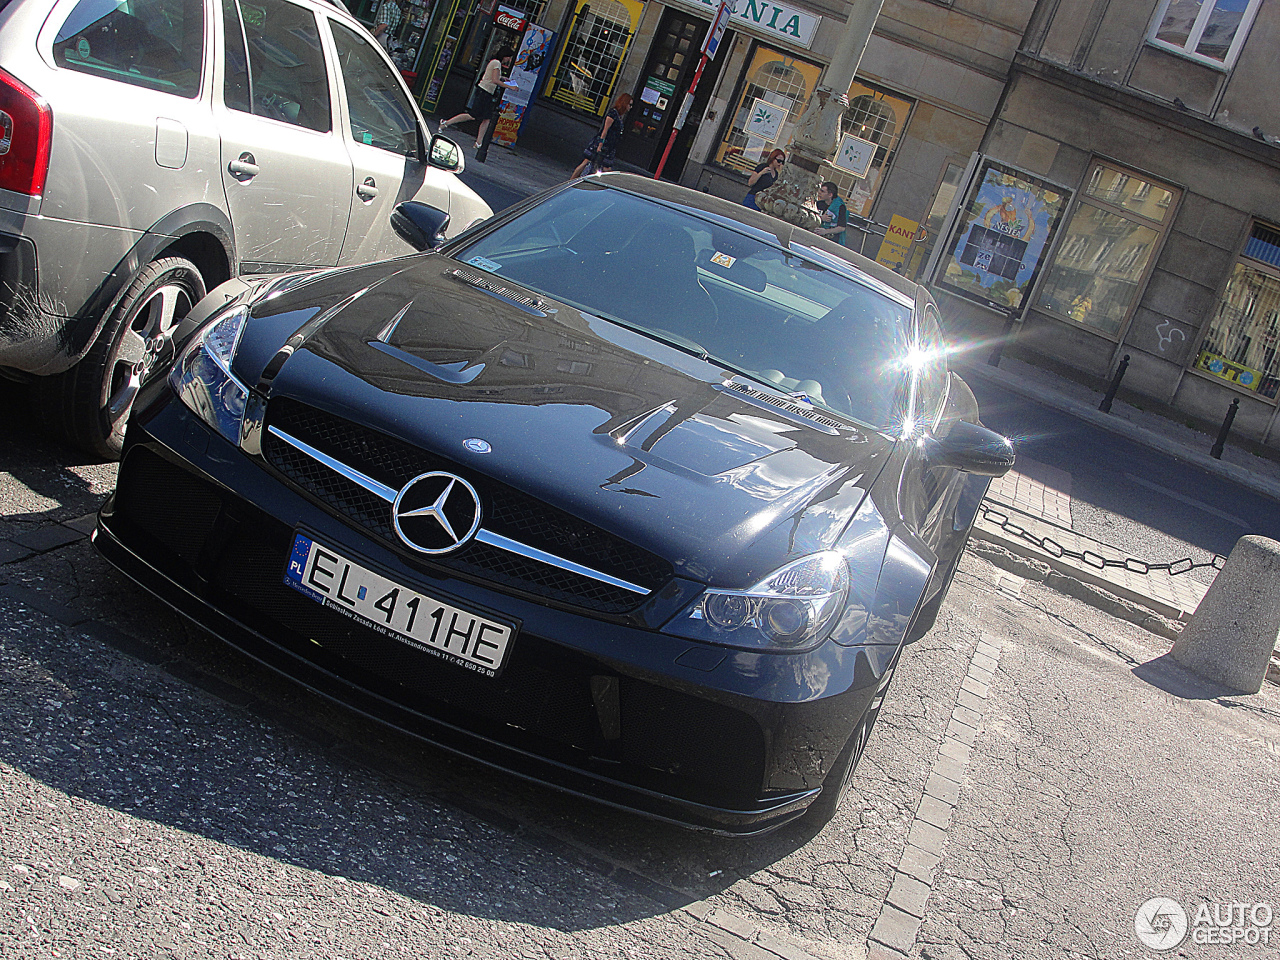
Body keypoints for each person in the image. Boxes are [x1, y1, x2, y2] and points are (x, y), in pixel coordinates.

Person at [439, 50, 517, 149]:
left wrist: (503, 78)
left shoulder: (494, 62)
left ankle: (478, 142)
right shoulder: (497, 63)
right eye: (508, 57)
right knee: (473, 115)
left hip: (485, 92)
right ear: (504, 56)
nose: (509, 60)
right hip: (485, 92)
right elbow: (495, 80)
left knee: (486, 118)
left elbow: (493, 76)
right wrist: (510, 87)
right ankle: (446, 123)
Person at [571, 94, 633, 177]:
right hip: (603, 144)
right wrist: (600, 145)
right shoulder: (613, 113)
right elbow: (605, 130)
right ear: (624, 103)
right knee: (586, 162)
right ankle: (571, 181)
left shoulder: (619, 116)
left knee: (605, 167)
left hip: (610, 146)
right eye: (630, 104)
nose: (630, 107)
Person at [815, 181, 849, 246]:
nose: (819, 193)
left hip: (832, 240)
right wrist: (821, 218)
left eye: (823, 191)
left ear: (830, 194)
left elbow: (842, 228)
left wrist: (825, 231)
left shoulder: (840, 207)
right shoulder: (819, 204)